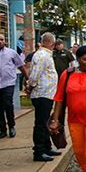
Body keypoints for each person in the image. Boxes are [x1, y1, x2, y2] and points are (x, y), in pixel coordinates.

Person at [0, 33, 29, 139]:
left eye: (2, 40)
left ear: (5, 41)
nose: (0, 42)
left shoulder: (11, 53)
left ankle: (11, 126)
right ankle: (2, 129)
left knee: (8, 104)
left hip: (8, 83)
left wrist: (27, 77)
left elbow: (21, 66)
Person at [26, 32, 60, 162]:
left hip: (48, 93)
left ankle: (46, 147)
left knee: (45, 122)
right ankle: (38, 152)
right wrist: (30, 85)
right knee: (40, 123)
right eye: (53, 43)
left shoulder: (46, 55)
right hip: (41, 93)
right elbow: (35, 75)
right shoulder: (41, 55)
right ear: (50, 43)